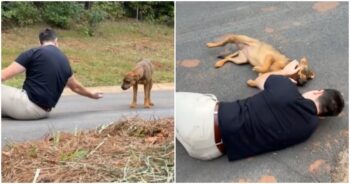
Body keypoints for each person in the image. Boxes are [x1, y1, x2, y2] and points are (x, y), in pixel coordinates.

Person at [176, 60, 344, 161]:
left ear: (318, 92)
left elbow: (259, 80)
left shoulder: (285, 89)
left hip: (203, 119)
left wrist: (284, 73)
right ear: (322, 117)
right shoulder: (308, 130)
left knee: (174, 100)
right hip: (208, 152)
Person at [2, 28, 103, 120]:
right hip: (43, 112)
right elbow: (75, 87)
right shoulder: (64, 60)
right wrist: (91, 94)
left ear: (40, 42)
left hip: (26, 106)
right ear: (56, 41)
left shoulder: (34, 53)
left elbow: (3, 75)